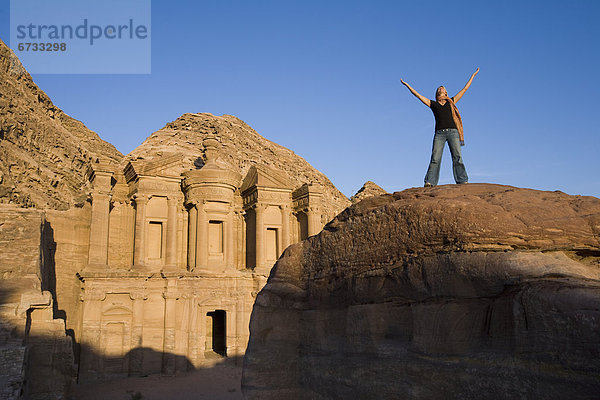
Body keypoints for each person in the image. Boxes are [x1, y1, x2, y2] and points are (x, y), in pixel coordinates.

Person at [401, 68, 479, 187]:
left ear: (446, 93)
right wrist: (407, 85)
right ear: (437, 93)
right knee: (435, 158)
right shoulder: (433, 104)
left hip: (453, 132)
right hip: (439, 134)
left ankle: (462, 180)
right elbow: (417, 95)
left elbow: (465, 89)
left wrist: (473, 75)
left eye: (442, 88)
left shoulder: (451, 101)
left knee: (457, 156)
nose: (440, 88)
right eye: (439, 88)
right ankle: (430, 182)